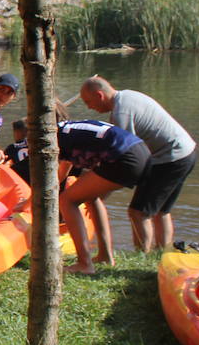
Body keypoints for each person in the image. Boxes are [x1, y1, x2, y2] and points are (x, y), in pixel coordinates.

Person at [79, 75, 197, 252]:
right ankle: (160, 254)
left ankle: (142, 256)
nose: (89, 107)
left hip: (170, 158)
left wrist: (97, 195)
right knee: (160, 211)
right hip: (186, 153)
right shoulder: (128, 96)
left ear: (99, 95)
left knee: (138, 212)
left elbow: (122, 160)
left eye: (89, 101)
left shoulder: (121, 114)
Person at [54, 116, 150, 275]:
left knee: (66, 201)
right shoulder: (68, 128)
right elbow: (63, 171)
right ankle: (105, 256)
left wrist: (32, 200)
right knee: (91, 198)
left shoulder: (54, 136)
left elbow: (59, 173)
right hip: (141, 151)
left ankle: (84, 264)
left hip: (125, 158)